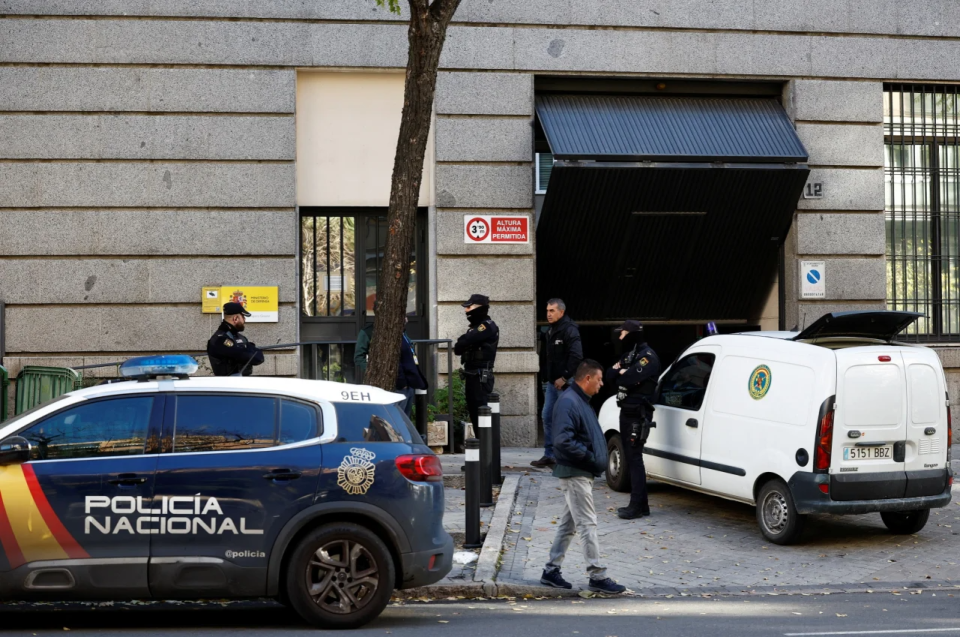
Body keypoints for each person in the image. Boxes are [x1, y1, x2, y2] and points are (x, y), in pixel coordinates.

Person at [540, 359, 626, 594]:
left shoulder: (578, 399)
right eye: (598, 380)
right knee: (587, 523)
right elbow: (562, 441)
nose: (601, 385)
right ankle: (597, 575)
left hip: (579, 471)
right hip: (576, 472)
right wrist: (589, 457)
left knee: (568, 525)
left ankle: (550, 570)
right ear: (587, 378)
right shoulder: (570, 401)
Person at [605, 320, 660, 520]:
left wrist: (623, 373)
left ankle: (636, 505)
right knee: (631, 456)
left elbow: (627, 378)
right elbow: (611, 374)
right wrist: (621, 372)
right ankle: (642, 504)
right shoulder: (630, 355)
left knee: (634, 458)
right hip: (626, 411)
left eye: (623, 334)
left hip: (638, 413)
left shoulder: (648, 357)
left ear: (632, 334)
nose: (620, 337)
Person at [532, 298, 583, 468]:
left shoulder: (570, 329)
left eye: (552, 311)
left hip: (565, 383)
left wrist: (564, 377)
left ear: (561, 312)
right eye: (547, 310)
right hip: (552, 383)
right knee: (547, 417)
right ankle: (550, 454)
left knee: (566, 419)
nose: (548, 314)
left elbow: (576, 356)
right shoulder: (549, 331)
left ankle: (567, 456)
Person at [453, 294, 499, 429]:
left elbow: (465, 341)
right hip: (471, 374)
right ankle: (481, 444)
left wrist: (465, 340)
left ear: (480, 308)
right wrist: (465, 340)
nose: (466, 310)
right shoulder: (473, 328)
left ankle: (486, 446)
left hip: (480, 376)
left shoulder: (487, 326)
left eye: (469, 307)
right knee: (473, 411)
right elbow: (458, 348)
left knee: (481, 410)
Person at [207, 302, 265, 376]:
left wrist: (249, 350)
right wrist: (249, 349)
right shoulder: (220, 339)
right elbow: (253, 358)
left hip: (240, 383)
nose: (245, 320)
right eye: (243, 317)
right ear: (235, 318)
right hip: (227, 385)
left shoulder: (239, 337)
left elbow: (259, 357)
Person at [396, 319, 428, 416]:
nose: (407, 319)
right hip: (402, 385)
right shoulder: (395, 336)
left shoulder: (404, 335)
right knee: (400, 416)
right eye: (404, 316)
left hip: (409, 383)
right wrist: (402, 382)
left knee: (406, 417)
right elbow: (396, 361)